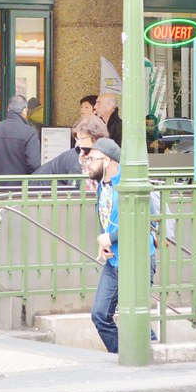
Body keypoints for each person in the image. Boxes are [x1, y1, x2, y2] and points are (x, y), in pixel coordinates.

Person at [85, 138, 157, 354]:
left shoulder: (131, 181)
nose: (87, 163)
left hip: (137, 258)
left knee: (134, 315)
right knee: (100, 314)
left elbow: (144, 219)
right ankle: (123, 355)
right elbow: (106, 216)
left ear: (107, 160)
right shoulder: (102, 185)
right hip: (115, 259)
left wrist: (111, 238)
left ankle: (152, 352)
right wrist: (105, 240)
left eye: (92, 158)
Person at [0, 95, 41, 176]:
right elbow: (34, 165)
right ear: (24, 111)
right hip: (22, 186)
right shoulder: (30, 133)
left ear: (8, 110)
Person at [33, 115, 109, 176]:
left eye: (82, 139)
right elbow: (76, 191)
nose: (78, 143)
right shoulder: (78, 158)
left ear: (95, 137)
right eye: (77, 139)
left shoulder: (99, 154)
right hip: (39, 191)